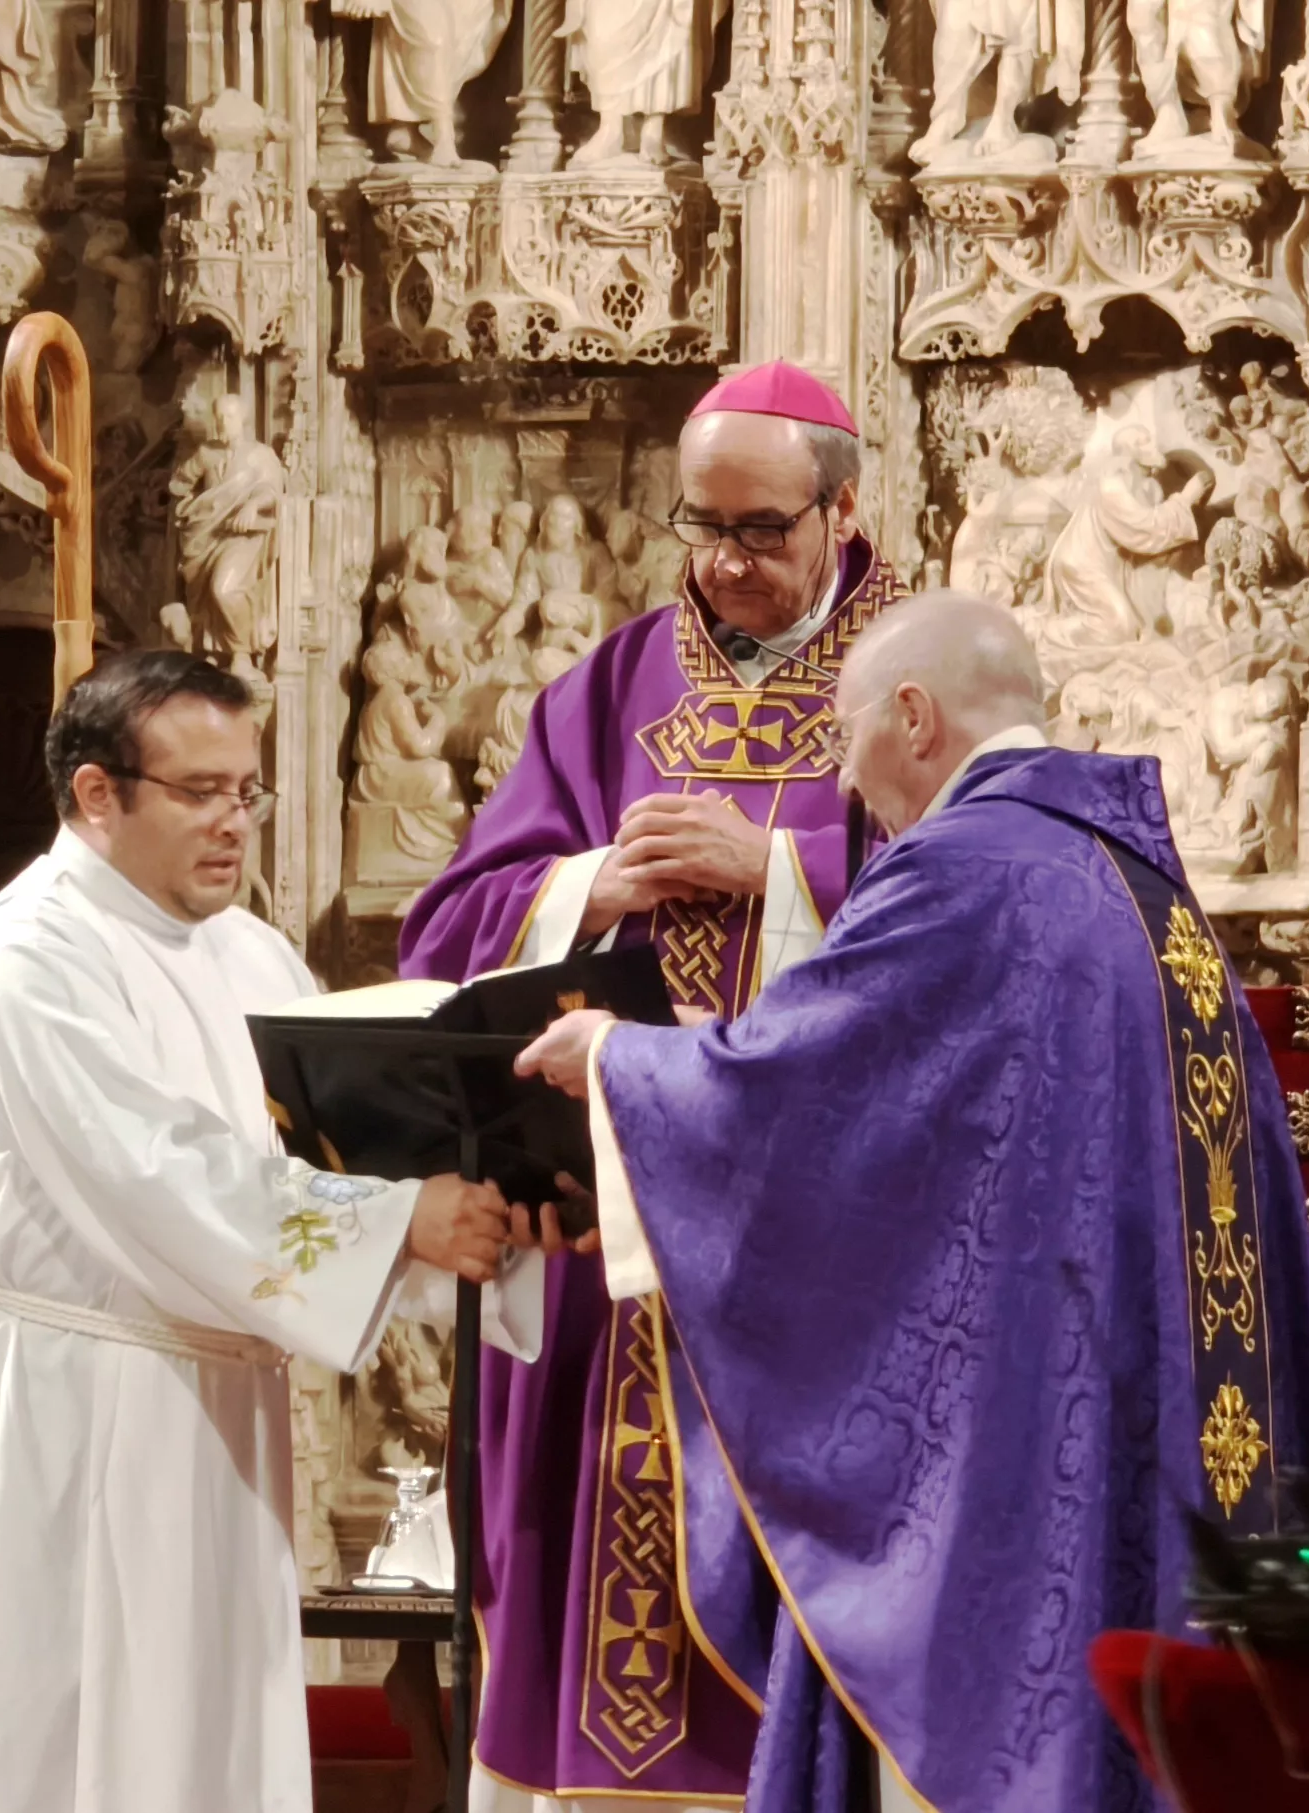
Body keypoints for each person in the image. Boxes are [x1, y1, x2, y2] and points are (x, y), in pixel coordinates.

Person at [515, 591, 1309, 1813]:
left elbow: (812, 1124)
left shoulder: (962, 869)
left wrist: (623, 1063)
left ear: (912, 716)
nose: (843, 784)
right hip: (1149, 1433)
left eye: (843, 739)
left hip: (1014, 1464)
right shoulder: (1137, 887)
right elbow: (912, 1100)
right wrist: (730, 1044)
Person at [0, 650, 575, 1813]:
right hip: (53, 1407)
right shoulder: (22, 961)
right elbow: (151, 1173)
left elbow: (322, 1149)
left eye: (247, 790)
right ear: (97, 794)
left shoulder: (246, 952)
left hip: (207, 1411)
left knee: (201, 1741)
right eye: (200, 792)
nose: (235, 822)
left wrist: (495, 1209)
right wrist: (402, 1224)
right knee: (43, 1734)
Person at [398, 361, 907, 1811]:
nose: (725, 562)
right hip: (607, 1222)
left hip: (816, 1232)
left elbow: (997, 918)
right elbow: (446, 925)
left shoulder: (914, 674)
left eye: (760, 529)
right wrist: (580, 888)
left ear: (840, 507)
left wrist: (789, 875)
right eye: (700, 526)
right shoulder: (610, 685)